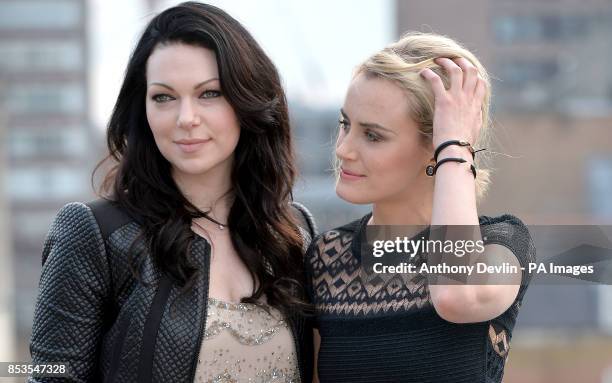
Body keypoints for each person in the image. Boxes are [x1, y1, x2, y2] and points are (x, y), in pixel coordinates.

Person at [28, 2, 316, 382]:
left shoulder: (292, 232)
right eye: (163, 97)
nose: (186, 119)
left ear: (247, 98)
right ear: (142, 109)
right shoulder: (93, 234)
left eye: (209, 94)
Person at [306, 32, 535, 383]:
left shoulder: (502, 243)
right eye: (345, 125)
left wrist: (457, 147)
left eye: (373, 135)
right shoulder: (326, 257)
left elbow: (456, 295)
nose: (343, 149)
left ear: (436, 147)